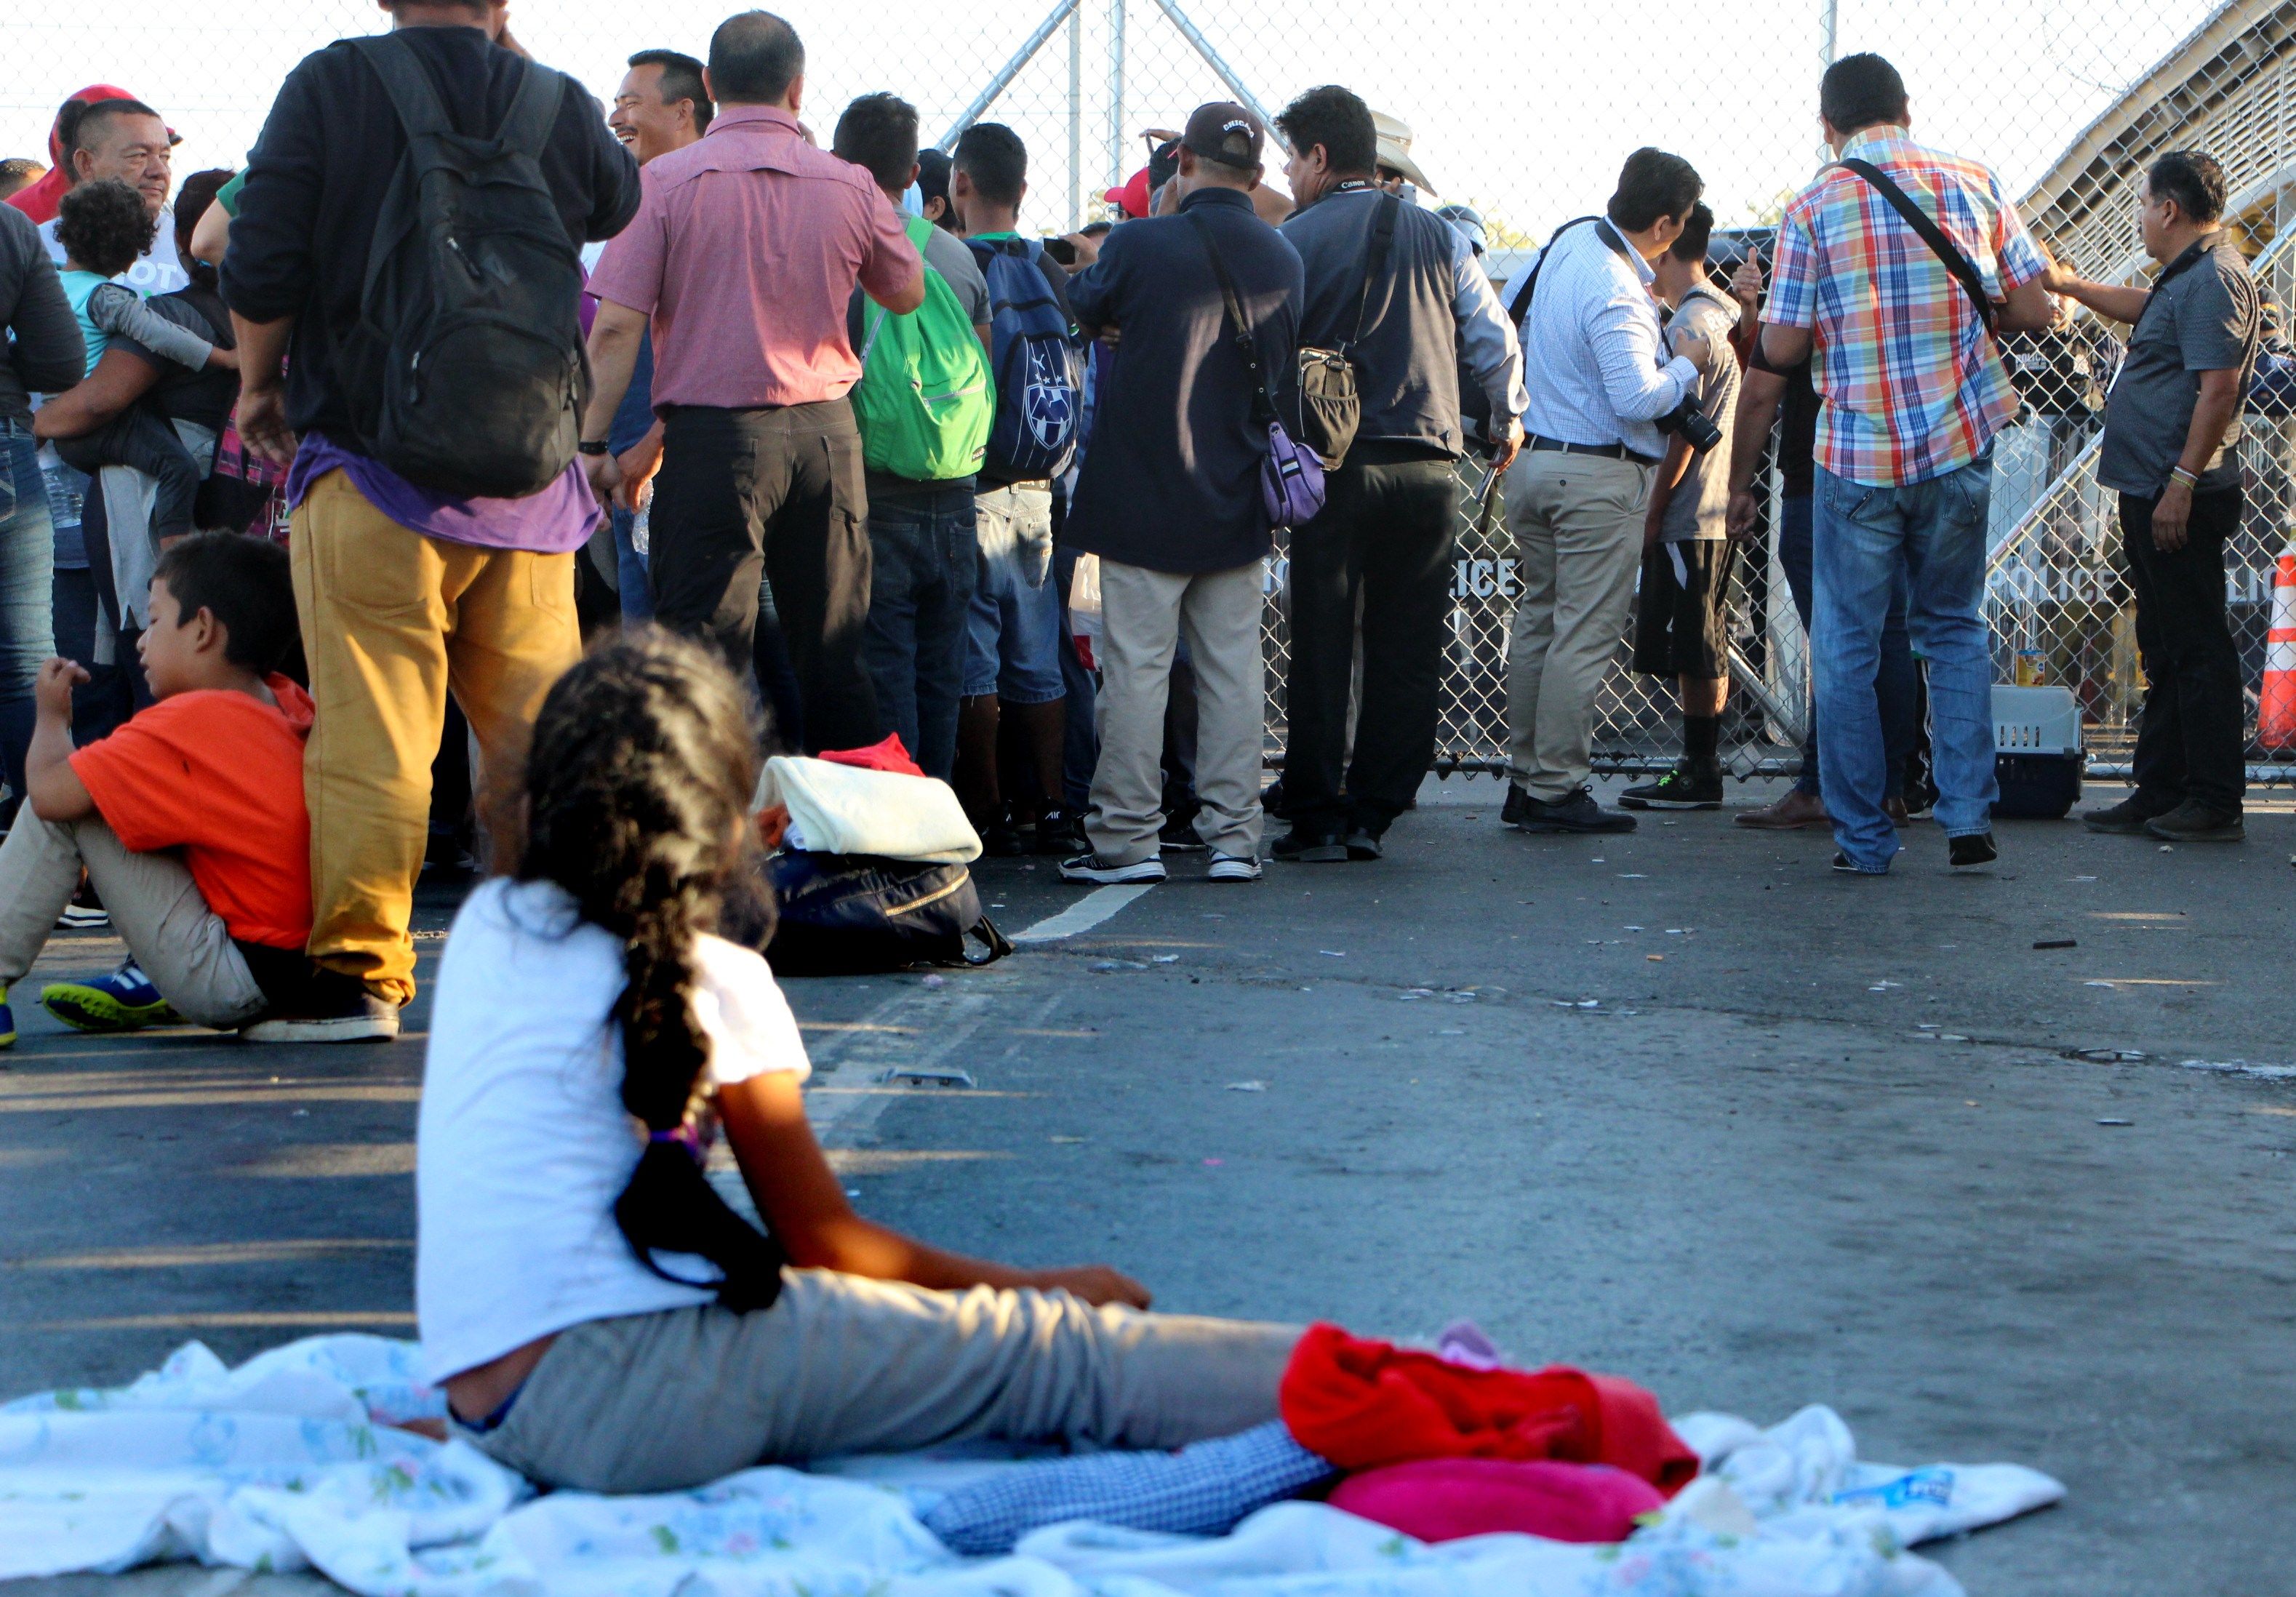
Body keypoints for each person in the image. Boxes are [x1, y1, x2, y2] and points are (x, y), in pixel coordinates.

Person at [419, 628, 1300, 1491]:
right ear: (733, 823)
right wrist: (1045, 1293)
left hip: (493, 1409)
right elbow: (824, 1246)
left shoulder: (487, 928)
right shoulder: (719, 978)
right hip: (643, 1402)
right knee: (1059, 1359)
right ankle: (1414, 1381)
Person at [224, 0, 641, 1039]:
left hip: (371, 462)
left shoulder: (333, 82)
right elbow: (615, 200)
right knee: (537, 739)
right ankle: (567, 955)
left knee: (375, 726)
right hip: (530, 482)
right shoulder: (553, 98)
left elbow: (262, 258)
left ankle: (363, 974)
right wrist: (522, 66)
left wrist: (257, 385)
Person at [585, 9, 920, 754]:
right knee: (832, 655)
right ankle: (855, 844)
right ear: (798, 90)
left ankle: (695, 846)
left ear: (709, 85)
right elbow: (905, 292)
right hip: (826, 436)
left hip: (712, 444)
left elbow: (613, 330)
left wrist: (590, 442)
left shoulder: (663, 184)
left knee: (698, 663)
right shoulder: (850, 184)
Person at [1759, 54, 2057, 875]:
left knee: (1847, 647)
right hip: (1960, 440)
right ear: (1906, 108)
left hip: (1858, 454)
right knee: (1953, 628)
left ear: (1828, 127)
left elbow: (1782, 346)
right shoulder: (1974, 179)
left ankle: (1863, 838)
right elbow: (2035, 307)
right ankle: (1966, 818)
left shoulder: (1811, 207)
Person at [1269, 84, 1524, 862]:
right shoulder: (1441, 236)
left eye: (1291, 158)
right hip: (1428, 461)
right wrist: (1505, 418)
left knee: (1319, 635)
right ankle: (1376, 808)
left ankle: (1313, 805)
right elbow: (1491, 337)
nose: (1286, 175)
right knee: (1407, 639)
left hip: (1332, 465)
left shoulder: (1293, 240)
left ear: (1319, 156)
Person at [1056, 103, 1303, 886]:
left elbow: (1083, 305)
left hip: (1140, 498)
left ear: (1182, 163)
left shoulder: (1139, 243)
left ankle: (1127, 840)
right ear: (1257, 176)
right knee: (1233, 668)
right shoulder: (1281, 257)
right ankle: (1234, 836)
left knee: (1137, 670)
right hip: (1235, 498)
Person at [0, 535, 311, 1050]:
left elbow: (52, 795)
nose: (141, 642)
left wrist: (52, 717)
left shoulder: (190, 721)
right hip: (306, 972)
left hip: (232, 977)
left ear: (204, 630)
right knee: (115, 797)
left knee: (69, 806)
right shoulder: (287, 702)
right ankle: (153, 980)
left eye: (155, 621)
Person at [1499, 148, 1713, 836]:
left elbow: (1510, 314)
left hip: (1534, 460)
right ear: (1662, 224)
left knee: (1538, 622)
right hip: (1596, 475)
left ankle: (1524, 779)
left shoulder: (1568, 242)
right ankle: (1556, 788)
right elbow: (1635, 396)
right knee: (1582, 634)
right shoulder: (1619, 286)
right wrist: (1687, 363)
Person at [2049, 151, 2258, 844]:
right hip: (2151, 489)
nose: (2138, 217)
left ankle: (2213, 798)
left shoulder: (2216, 279)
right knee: (2162, 642)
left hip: (2177, 493)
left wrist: (2181, 484)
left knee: (2195, 645)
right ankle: (2161, 788)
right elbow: (2145, 311)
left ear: (2168, 209)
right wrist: (2073, 287)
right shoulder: (2187, 278)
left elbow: (2219, 389)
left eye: (2142, 204)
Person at [37, 171, 243, 718]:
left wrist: (29, 423)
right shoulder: (273, 319)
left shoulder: (156, 307)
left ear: (183, 242)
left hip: (135, 501)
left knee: (142, 657)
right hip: (217, 503)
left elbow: (100, 398)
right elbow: (102, 397)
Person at [1727, 253, 1921, 830]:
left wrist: (1739, 485)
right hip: (1903, 471)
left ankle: (1825, 786)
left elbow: (1762, 384)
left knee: (1838, 644)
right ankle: (1887, 787)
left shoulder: (1814, 278)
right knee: (1889, 634)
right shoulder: (1911, 275)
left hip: (1824, 476)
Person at [836, 94, 992, 782]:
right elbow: (985, 370)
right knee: (943, 666)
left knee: (888, 662)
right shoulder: (956, 258)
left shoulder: (840, 252)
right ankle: (945, 817)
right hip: (957, 488)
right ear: (911, 171)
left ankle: (906, 832)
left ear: (841, 162)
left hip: (877, 487)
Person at [949, 123, 1083, 854]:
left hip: (971, 480)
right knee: (1037, 651)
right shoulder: (1046, 266)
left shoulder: (951, 265)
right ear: (1023, 190)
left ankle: (988, 809)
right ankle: (1056, 804)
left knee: (975, 656)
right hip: (1038, 487)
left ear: (958, 185)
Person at [1619, 204, 1740, 810]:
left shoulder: (1688, 324)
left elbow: (1680, 432)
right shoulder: (1716, 311)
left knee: (1695, 645)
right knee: (1702, 639)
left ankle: (1699, 770)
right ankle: (1699, 766)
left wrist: (1651, 510)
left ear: (1664, 245)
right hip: (1712, 508)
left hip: (1689, 510)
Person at [43, 180, 231, 552]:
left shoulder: (50, 287)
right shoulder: (109, 298)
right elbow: (162, 336)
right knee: (178, 468)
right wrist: (224, 357)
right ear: (134, 250)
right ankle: (175, 561)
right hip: (98, 427)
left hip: (63, 430)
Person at [597, 48, 714, 624]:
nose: (616, 118)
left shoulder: (702, 200)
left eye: (630, 103)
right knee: (649, 646)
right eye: (615, 103)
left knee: (687, 655)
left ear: (683, 110)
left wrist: (650, 446)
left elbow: (716, 348)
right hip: (628, 469)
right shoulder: (637, 200)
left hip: (672, 467)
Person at [0, 194, 81, 828]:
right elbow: (59, 360)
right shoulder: (10, 228)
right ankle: (44, 847)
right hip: (4, 442)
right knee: (25, 655)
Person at [33, 98, 188, 297]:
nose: (159, 171)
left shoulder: (191, 245)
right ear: (86, 164)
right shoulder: (35, 247)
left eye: (165, 156)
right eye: (139, 155)